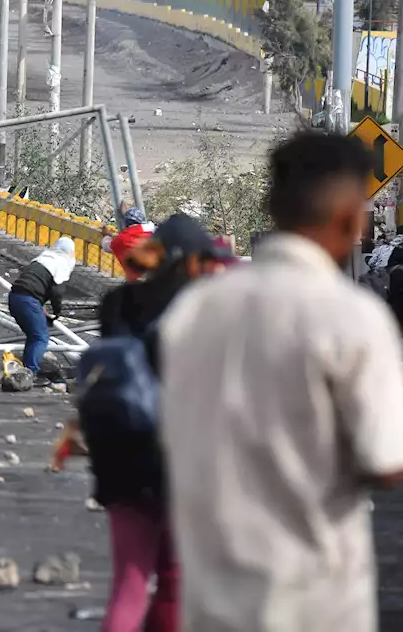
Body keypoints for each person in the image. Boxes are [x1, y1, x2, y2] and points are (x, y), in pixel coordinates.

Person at [160, 131, 403, 632]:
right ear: (351, 217)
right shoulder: (351, 319)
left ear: (273, 207)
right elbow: (386, 461)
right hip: (313, 599)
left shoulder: (198, 308)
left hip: (214, 596)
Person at [87, 214, 230, 632]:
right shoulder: (208, 311)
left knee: (128, 584)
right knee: (173, 580)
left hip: (120, 456)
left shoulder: (117, 304)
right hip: (184, 462)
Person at [7, 237, 75, 375]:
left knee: (33, 336)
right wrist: (57, 312)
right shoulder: (61, 261)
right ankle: (29, 373)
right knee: (40, 337)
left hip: (15, 297)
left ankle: (24, 371)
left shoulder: (42, 258)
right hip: (28, 300)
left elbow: (33, 284)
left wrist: (40, 307)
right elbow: (57, 291)